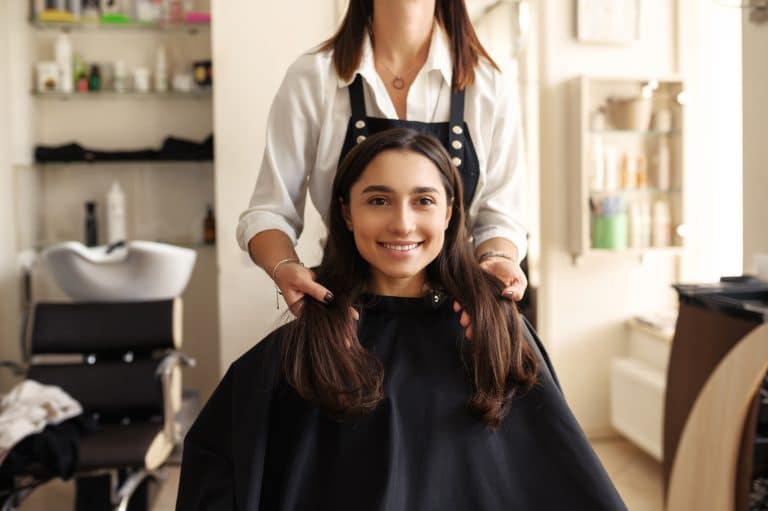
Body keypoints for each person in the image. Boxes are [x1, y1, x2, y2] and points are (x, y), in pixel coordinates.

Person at [177, 129, 627, 510]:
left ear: (449, 213)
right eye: (378, 200)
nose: (402, 223)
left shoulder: (493, 334)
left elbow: (564, 478)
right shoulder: (301, 349)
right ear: (347, 213)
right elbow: (217, 467)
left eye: (424, 200)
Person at [237, 0, 530, 312]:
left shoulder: (489, 86)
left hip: (460, 318)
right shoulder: (313, 78)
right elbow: (270, 213)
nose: (403, 225)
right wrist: (284, 267)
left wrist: (498, 259)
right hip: (345, 317)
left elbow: (500, 220)